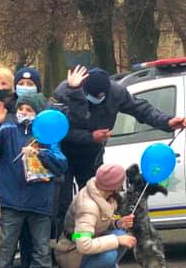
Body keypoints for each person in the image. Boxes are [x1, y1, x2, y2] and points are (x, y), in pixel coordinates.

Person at [52, 66, 185, 236]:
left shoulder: (116, 93)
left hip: (92, 156)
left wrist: (166, 122)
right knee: (62, 204)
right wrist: (90, 136)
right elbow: (58, 131)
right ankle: (62, 244)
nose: (98, 99)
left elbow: (141, 109)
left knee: (96, 202)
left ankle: (93, 240)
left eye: (102, 96)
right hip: (64, 153)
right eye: (94, 96)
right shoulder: (65, 92)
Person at [0, 94, 66, 268]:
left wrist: (40, 154)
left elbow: (61, 165)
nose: (24, 113)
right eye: (21, 109)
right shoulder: (8, 130)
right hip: (10, 200)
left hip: (40, 202)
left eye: (29, 110)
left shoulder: (48, 137)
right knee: (5, 244)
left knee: (41, 245)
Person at [54, 163, 137, 268]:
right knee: (110, 254)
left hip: (86, 238)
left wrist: (118, 223)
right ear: (115, 186)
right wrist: (117, 240)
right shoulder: (88, 206)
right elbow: (83, 244)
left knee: (121, 233)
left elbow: (101, 222)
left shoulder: (103, 194)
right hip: (72, 247)